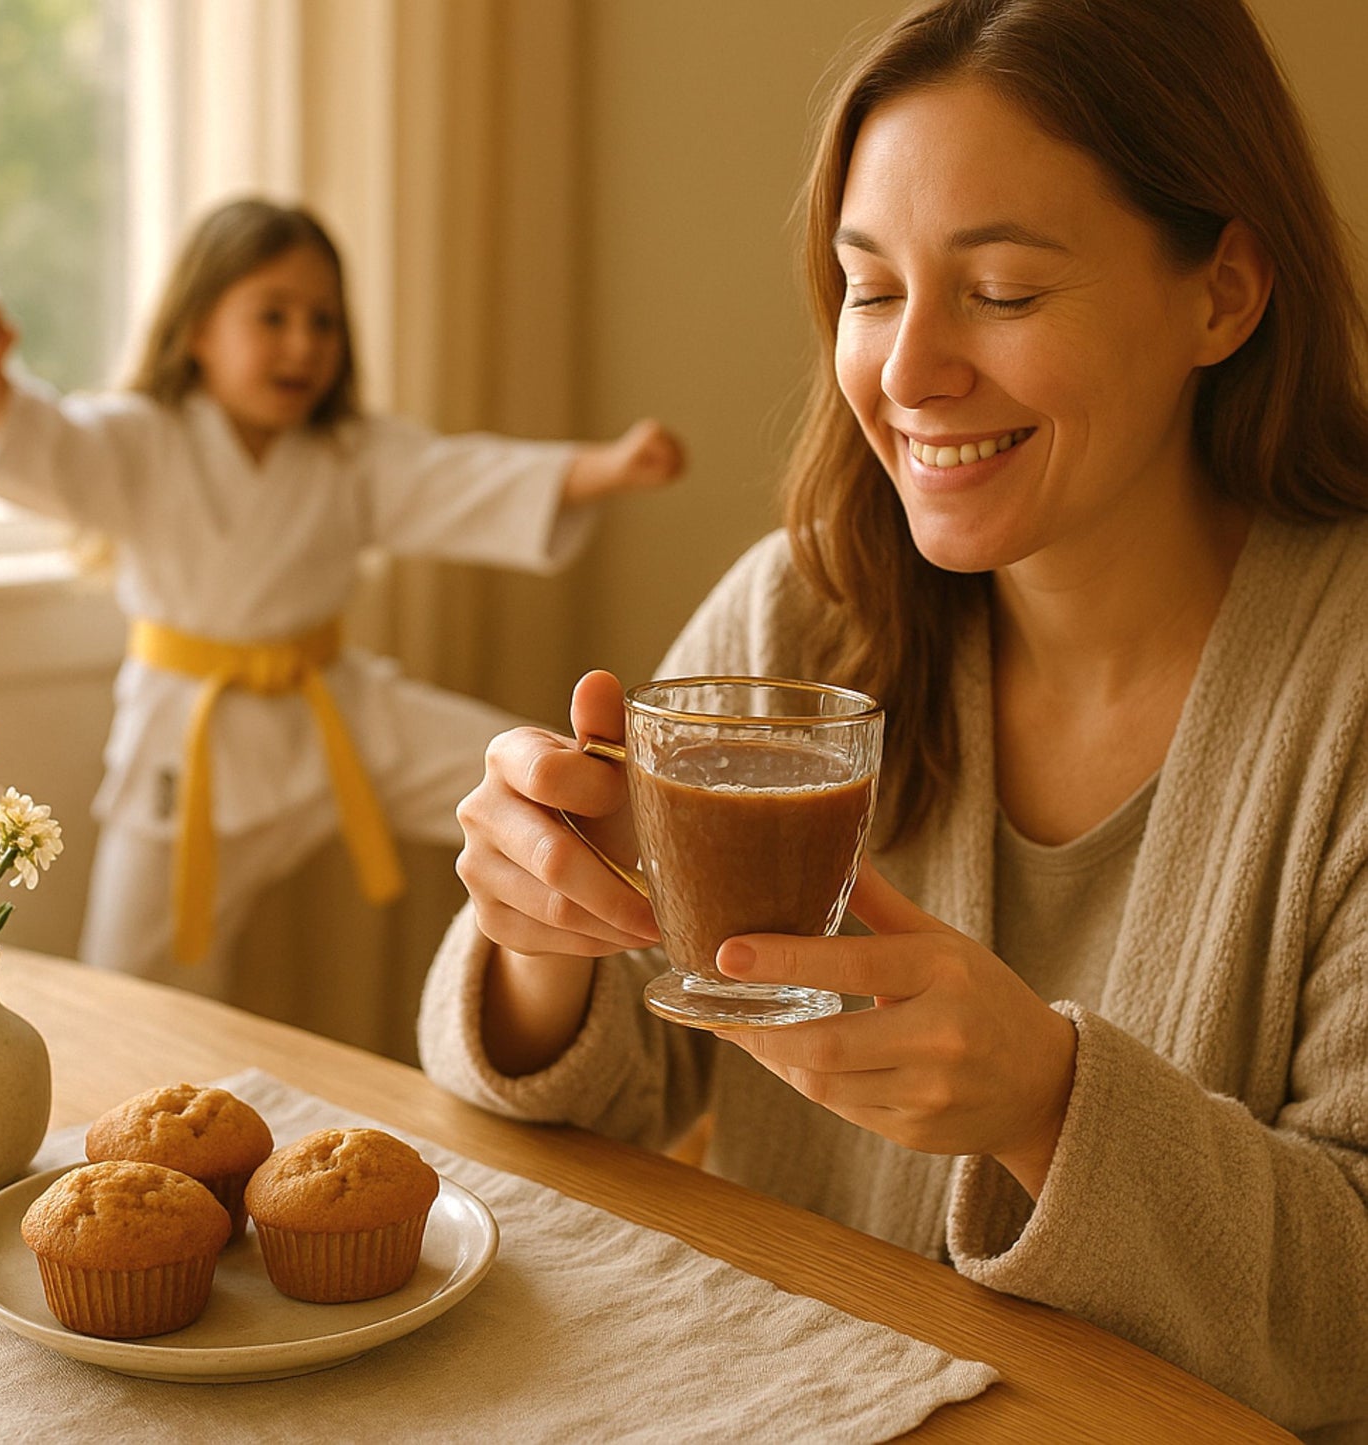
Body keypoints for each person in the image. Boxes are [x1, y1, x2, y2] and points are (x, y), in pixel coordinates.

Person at [416, 0, 1368, 1437]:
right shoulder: (806, 615)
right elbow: (581, 1091)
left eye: (1000, 293)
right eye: (870, 288)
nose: (909, 375)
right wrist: (545, 934)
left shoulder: (1344, 686)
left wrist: (1046, 1104)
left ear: (1222, 295)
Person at [0, 195, 685, 993]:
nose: (303, 343)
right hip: (185, 742)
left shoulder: (347, 454)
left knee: (533, 782)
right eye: (274, 316)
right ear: (197, 329)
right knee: (136, 974)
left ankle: (672, 875)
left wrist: (604, 468)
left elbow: (459, 478)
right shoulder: (143, 437)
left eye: (323, 321)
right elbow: (48, 448)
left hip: (332, 708)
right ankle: (150, 1111)